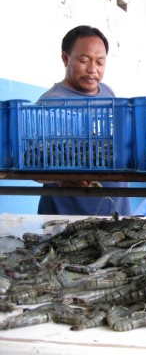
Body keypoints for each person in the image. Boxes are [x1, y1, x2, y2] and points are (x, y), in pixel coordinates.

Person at [37, 25, 131, 216]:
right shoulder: (49, 103)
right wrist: (62, 178)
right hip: (67, 218)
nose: (92, 69)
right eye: (84, 60)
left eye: (99, 62)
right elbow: (31, 165)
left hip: (116, 213)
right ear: (65, 58)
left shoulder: (107, 92)